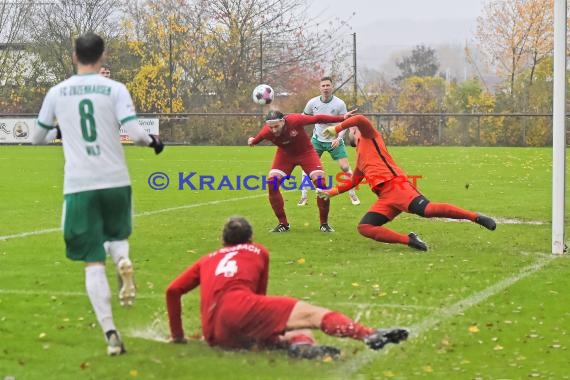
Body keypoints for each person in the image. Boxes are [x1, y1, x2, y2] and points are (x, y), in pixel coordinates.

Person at [31, 32, 165, 355]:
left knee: (92, 262)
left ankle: (111, 334)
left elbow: (37, 137)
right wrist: (154, 143)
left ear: (74, 55)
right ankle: (123, 259)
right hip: (116, 181)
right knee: (116, 235)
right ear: (102, 56)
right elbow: (134, 133)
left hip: (80, 184)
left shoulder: (58, 92)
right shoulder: (115, 89)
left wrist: (60, 128)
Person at [166, 216, 409, 359]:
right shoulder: (259, 250)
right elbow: (258, 295)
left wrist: (177, 336)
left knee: (291, 332)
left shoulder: (208, 258)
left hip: (215, 333)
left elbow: (172, 291)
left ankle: (300, 348)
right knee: (313, 316)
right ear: (250, 238)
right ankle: (369, 334)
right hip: (242, 308)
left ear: (223, 240)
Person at [316, 115, 496, 251]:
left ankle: (477, 217)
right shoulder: (360, 157)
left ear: (353, 130)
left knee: (428, 210)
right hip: (385, 197)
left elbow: (361, 119)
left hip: (396, 186)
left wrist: (337, 127)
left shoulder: (369, 136)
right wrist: (330, 192)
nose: (346, 133)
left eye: (348, 130)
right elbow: (352, 182)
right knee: (365, 227)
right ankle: (409, 240)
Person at [248, 109, 355, 232]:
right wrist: (252, 141)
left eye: (276, 126)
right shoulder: (267, 131)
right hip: (285, 156)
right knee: (272, 184)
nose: (274, 130)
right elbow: (256, 139)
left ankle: (324, 224)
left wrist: (342, 118)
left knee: (321, 184)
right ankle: (283, 224)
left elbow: (318, 118)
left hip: (306, 153)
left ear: (283, 121)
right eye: (271, 127)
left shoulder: (295, 120)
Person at [298, 76, 360, 207]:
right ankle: (303, 197)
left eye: (328, 85)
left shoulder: (339, 104)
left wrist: (339, 138)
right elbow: (302, 119)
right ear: (319, 88)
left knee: (344, 167)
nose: (325, 88)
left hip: (334, 141)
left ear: (332, 87)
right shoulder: (312, 103)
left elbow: (345, 122)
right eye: (323, 86)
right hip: (317, 141)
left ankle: (352, 193)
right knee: (307, 168)